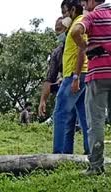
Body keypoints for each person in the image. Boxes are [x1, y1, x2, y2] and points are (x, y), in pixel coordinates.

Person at [72, 0, 111, 174]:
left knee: (96, 121)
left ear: (92, 1)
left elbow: (75, 31)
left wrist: (85, 46)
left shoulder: (93, 16)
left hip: (99, 74)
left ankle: (96, 166)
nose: (83, 4)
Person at [53, 0, 89, 155]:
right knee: (84, 116)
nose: (63, 16)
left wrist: (75, 76)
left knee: (60, 112)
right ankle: (89, 152)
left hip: (75, 74)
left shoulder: (78, 25)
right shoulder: (78, 23)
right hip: (82, 74)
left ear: (73, 9)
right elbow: (58, 28)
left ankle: (58, 154)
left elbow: (82, 50)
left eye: (65, 12)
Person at [39, 3, 73, 117]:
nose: (57, 33)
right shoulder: (57, 52)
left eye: (59, 29)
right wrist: (43, 100)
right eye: (56, 30)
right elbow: (49, 78)